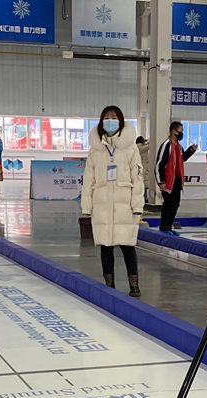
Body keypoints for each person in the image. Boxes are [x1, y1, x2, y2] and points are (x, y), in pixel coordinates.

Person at [81, 106, 145, 297]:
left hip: (124, 204)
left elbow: (138, 178)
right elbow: (88, 180)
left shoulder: (131, 148)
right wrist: (87, 208)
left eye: (114, 117)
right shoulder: (95, 150)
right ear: (101, 121)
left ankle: (134, 284)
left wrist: (137, 205)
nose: (110, 121)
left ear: (121, 121)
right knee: (105, 245)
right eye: (107, 117)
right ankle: (109, 284)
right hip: (102, 204)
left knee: (127, 245)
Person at [155, 120, 197, 234]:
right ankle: (164, 226)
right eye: (180, 131)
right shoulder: (166, 145)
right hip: (169, 180)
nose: (181, 134)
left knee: (175, 204)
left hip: (177, 180)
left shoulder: (178, 146)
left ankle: (169, 226)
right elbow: (159, 164)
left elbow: (182, 159)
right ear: (174, 131)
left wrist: (191, 150)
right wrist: (161, 181)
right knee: (168, 204)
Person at [137, 136, 157, 205]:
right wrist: (149, 141)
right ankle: (144, 199)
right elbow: (148, 146)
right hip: (143, 167)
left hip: (144, 166)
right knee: (143, 184)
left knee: (144, 185)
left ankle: (145, 198)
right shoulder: (139, 147)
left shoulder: (138, 147)